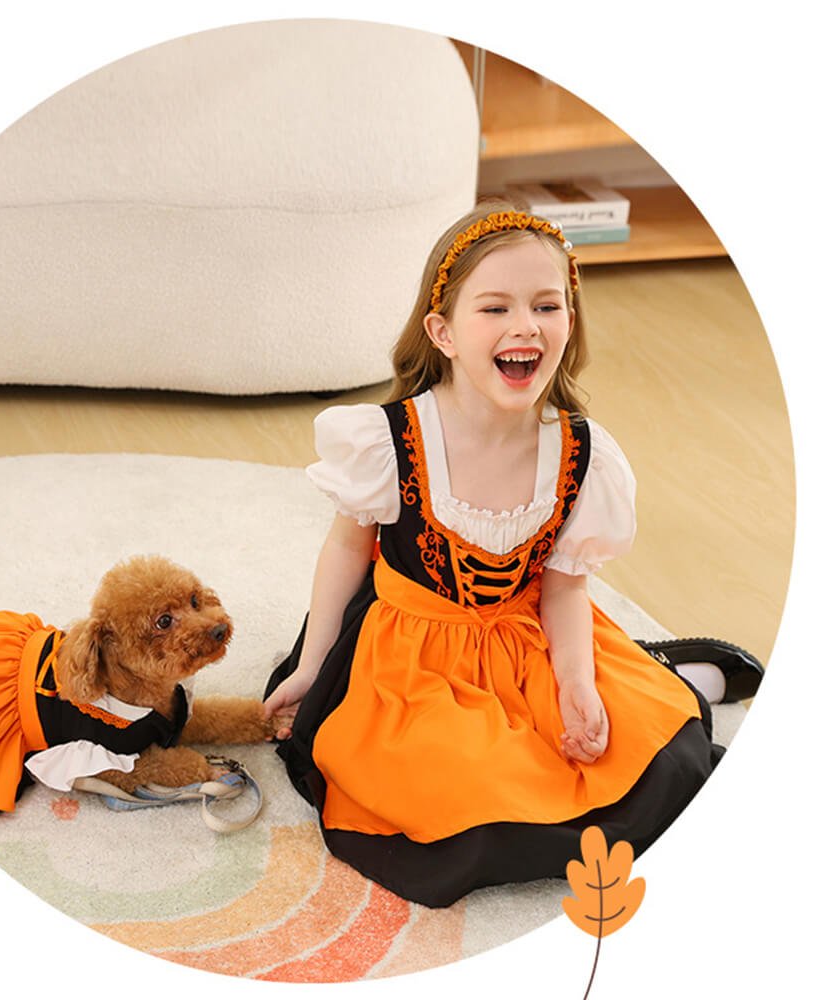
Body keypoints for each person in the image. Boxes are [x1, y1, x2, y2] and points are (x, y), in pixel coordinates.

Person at [262, 200, 758, 909]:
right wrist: (314, 663)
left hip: (526, 635)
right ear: (444, 333)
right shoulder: (388, 441)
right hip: (412, 655)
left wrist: (578, 686)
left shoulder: (584, 455)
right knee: (461, 798)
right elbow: (346, 551)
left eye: (547, 306)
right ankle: (673, 672)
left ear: (569, 323)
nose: (525, 325)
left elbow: (563, 590)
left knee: (649, 754)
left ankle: (669, 674)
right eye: (494, 308)